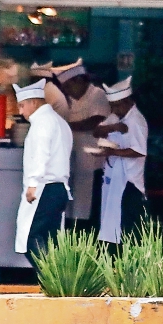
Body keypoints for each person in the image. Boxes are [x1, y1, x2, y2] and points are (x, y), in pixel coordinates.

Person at [12, 79, 73, 268]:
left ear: (34, 102)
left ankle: (49, 279)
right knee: (51, 241)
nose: (21, 112)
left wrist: (33, 183)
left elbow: (41, 153)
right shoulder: (59, 122)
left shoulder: (42, 123)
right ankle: (55, 283)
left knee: (32, 238)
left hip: (44, 188)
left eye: (22, 106)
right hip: (58, 189)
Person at [53, 59, 109, 227]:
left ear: (79, 80)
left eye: (69, 86)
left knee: (88, 207)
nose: (67, 91)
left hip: (93, 163)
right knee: (71, 207)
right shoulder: (68, 100)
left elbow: (95, 122)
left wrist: (64, 126)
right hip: (73, 160)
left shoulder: (97, 94)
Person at [95, 76, 149, 245]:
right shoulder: (117, 117)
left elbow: (139, 151)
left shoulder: (136, 121)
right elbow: (97, 131)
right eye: (112, 106)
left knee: (127, 230)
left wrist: (113, 151)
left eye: (116, 106)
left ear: (126, 102)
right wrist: (113, 127)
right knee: (111, 225)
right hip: (114, 180)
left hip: (130, 183)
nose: (114, 110)